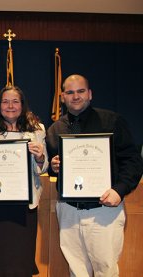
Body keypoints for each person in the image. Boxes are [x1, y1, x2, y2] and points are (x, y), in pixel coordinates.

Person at [46, 74, 143, 277]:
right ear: (63, 96)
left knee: (106, 270)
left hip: (104, 209)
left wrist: (119, 190)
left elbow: (133, 162)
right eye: (70, 92)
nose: (75, 96)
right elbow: (52, 166)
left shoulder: (112, 121)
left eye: (80, 91)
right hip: (69, 210)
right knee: (77, 271)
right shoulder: (55, 129)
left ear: (89, 94)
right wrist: (53, 166)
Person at [0, 86, 49, 277]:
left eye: (15, 101)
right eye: (5, 101)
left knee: (20, 264)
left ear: (23, 105)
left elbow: (43, 167)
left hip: (23, 208)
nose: (10, 106)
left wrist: (40, 157)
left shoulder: (37, 130)